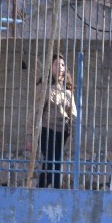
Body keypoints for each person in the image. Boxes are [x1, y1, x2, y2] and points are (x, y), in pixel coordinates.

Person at [35, 53, 77, 188]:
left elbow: (73, 113)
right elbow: (36, 111)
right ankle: (53, 188)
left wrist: (73, 129)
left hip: (62, 131)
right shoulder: (44, 87)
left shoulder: (67, 90)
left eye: (63, 65)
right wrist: (30, 135)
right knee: (52, 160)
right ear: (51, 67)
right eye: (56, 64)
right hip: (47, 129)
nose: (60, 68)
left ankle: (44, 189)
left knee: (54, 161)